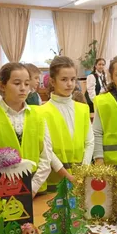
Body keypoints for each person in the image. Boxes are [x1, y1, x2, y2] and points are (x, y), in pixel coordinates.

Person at [0, 63, 52, 197]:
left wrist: (33, 187)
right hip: (3, 190)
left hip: (37, 189)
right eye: (17, 83)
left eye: (26, 83)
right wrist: (8, 187)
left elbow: (46, 156)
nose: (23, 88)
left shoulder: (38, 115)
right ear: (2, 86)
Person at [40, 56, 94, 191]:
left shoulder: (82, 108)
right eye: (64, 79)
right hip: (56, 181)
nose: (70, 84)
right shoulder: (42, 112)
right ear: (52, 81)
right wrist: (67, 175)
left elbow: (89, 142)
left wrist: (84, 170)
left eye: (72, 79)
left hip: (81, 179)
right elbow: (46, 149)